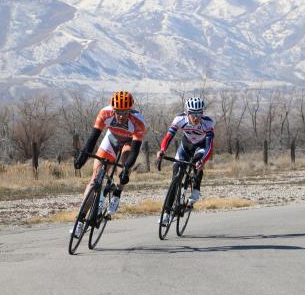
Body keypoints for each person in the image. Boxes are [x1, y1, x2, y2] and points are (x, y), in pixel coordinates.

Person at [73, 91, 146, 234]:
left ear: (130, 110)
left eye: (124, 112)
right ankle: (80, 220)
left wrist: (126, 170)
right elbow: (93, 139)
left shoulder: (138, 122)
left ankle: (118, 191)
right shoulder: (105, 113)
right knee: (94, 180)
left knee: (124, 166)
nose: (120, 116)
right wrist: (83, 156)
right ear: (113, 109)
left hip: (129, 142)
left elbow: (135, 151)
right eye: (117, 112)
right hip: (111, 139)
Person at [156, 97, 215, 226]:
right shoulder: (180, 119)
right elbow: (169, 136)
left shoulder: (208, 123)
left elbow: (209, 146)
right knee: (175, 177)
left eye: (199, 113)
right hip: (185, 146)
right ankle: (166, 213)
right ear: (187, 113)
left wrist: (203, 161)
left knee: (197, 162)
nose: (196, 117)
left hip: (201, 146)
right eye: (193, 114)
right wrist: (162, 150)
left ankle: (196, 189)